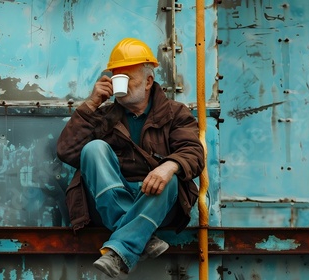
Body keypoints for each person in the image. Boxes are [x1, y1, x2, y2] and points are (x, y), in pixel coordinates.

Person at [56, 38, 205, 278]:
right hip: (109, 201)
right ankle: (140, 239)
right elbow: (67, 152)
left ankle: (121, 248)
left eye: (127, 79)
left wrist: (169, 166)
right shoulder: (104, 116)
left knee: (171, 177)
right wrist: (92, 103)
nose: (120, 85)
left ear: (148, 82)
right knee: (93, 149)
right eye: (117, 79)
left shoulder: (175, 113)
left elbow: (194, 152)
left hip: (158, 203)